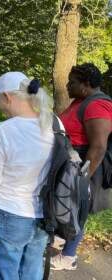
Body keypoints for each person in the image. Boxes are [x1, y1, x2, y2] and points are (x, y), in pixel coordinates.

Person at [0, 72, 54, 280]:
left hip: (9, 212)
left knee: (6, 274)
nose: (0, 108)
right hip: (44, 214)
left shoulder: (2, 131)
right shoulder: (54, 124)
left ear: (8, 96)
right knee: (32, 272)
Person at [51, 63, 112, 270]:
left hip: (84, 168)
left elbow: (99, 146)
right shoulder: (80, 101)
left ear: (86, 85)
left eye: (72, 82)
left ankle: (69, 256)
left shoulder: (96, 105)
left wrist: (82, 179)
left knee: (78, 210)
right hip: (71, 165)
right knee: (68, 207)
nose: (67, 85)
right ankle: (63, 237)